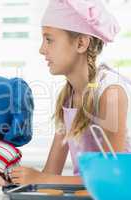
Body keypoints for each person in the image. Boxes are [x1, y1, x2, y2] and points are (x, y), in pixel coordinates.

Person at [10, 0, 131, 184]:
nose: (42, 49)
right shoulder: (68, 97)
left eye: (49, 39)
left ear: (81, 43)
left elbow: (111, 177)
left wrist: (41, 178)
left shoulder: (111, 92)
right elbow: (51, 171)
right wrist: (9, 179)